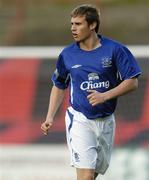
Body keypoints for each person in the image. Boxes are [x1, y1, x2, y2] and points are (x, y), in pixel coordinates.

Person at [41, 4, 141, 180]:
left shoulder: (115, 50)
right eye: (72, 24)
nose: (73, 28)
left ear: (93, 25)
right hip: (80, 119)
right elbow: (59, 85)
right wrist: (50, 116)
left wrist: (105, 95)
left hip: (106, 121)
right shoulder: (67, 55)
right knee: (86, 176)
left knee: (92, 175)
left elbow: (132, 82)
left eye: (78, 24)